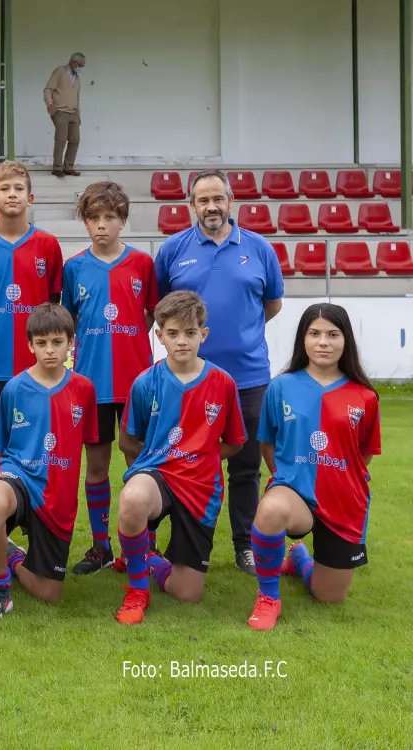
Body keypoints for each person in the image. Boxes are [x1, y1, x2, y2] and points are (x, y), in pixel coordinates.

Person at [154, 169, 284, 576]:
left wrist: (238, 337)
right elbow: (161, 308)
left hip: (247, 379)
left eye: (218, 199)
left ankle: (245, 545)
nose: (211, 207)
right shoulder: (173, 250)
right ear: (191, 205)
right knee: (182, 460)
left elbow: (272, 304)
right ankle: (180, 543)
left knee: (245, 465)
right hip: (187, 380)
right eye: (202, 200)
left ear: (231, 201)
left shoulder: (260, 248)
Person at [114, 291, 246, 625]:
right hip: (158, 475)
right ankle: (137, 589)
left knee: (187, 593)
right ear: (159, 336)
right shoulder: (146, 382)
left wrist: (201, 459)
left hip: (202, 485)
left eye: (190, 333)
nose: (182, 341)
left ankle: (148, 558)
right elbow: (128, 440)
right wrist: (145, 473)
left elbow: (233, 443)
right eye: (172, 333)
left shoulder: (224, 384)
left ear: (204, 334)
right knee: (132, 499)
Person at [247, 304, 381, 631]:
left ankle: (300, 558)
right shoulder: (281, 387)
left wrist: (337, 474)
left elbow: (363, 454)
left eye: (333, 334)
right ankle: (268, 597)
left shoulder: (364, 396)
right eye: (315, 333)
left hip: (343, 501)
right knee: (271, 508)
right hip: (296, 493)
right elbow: (267, 443)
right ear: (302, 339)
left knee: (328, 597)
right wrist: (285, 480)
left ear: (346, 340)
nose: (324, 342)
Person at [0, 160, 63, 569]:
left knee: (44, 451)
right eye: (5, 189)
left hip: (40, 373)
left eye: (19, 188)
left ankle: (42, 539)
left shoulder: (48, 246)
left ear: (30, 196)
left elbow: (55, 305)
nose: (13, 195)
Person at [0, 304, 98, 625]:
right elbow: (2, 451)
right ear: (30, 345)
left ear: (72, 342)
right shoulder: (13, 388)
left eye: (57, 342)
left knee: (49, 592)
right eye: (41, 343)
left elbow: (86, 447)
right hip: (18, 478)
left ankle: (12, 557)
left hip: (57, 497)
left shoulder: (84, 390)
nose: (50, 350)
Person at [62, 182, 158, 575]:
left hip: (137, 384)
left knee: (140, 461)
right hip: (91, 385)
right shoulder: (74, 268)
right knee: (97, 466)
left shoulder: (142, 265)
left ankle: (144, 548)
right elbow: (69, 322)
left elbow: (150, 316)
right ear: (85, 223)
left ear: (123, 221)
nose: (102, 225)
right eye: (94, 218)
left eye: (110, 218)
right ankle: (101, 547)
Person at [43, 54, 85, 177]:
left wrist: (78, 114)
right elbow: (48, 89)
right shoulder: (59, 71)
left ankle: (68, 167)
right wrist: (49, 103)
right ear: (73, 63)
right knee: (60, 139)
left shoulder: (77, 78)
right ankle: (57, 168)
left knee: (75, 139)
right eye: (80, 65)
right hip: (60, 111)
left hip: (73, 113)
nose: (81, 68)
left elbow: (77, 97)